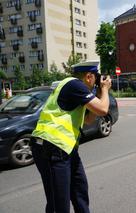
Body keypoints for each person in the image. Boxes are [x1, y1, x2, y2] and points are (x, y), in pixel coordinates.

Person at [31, 60, 112, 213]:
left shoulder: (77, 92)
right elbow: (103, 110)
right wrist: (105, 90)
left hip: (66, 149)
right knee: (59, 204)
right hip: (51, 148)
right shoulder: (75, 85)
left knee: (80, 191)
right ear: (89, 77)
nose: (96, 84)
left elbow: (88, 120)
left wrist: (100, 93)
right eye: (96, 79)